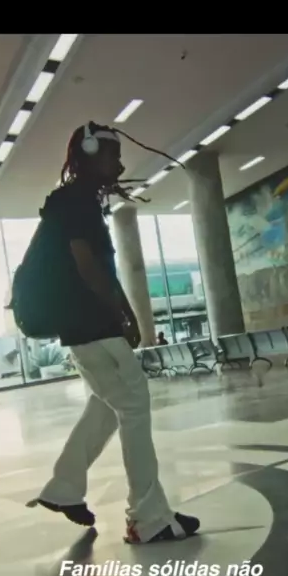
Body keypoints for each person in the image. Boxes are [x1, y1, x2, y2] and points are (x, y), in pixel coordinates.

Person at [28, 122, 200, 545]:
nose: (120, 166)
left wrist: (126, 310)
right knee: (134, 406)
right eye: (113, 156)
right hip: (92, 324)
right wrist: (122, 314)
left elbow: (100, 267)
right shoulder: (75, 202)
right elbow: (88, 266)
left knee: (108, 406)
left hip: (82, 325)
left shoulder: (75, 201)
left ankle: (64, 487)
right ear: (89, 153)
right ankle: (149, 518)